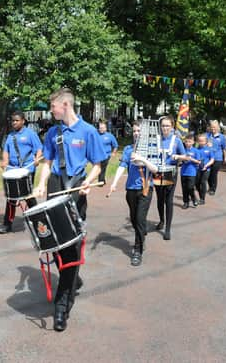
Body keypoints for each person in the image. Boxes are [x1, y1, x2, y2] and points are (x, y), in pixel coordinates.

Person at [34, 88, 106, 332]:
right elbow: (48, 162)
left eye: (52, 105)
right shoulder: (53, 132)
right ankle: (72, 277)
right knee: (55, 246)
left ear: (65, 105)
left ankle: (62, 306)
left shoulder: (88, 131)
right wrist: (42, 183)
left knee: (71, 247)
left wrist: (89, 180)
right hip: (55, 188)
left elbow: (97, 163)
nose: (50, 109)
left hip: (76, 189)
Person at [108, 121, 158, 266]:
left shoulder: (151, 148)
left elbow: (155, 169)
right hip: (130, 189)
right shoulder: (128, 149)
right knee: (134, 219)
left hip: (145, 189)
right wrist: (114, 183)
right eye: (135, 131)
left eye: (139, 131)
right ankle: (141, 236)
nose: (136, 133)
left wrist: (142, 159)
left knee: (140, 218)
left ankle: (138, 250)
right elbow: (122, 166)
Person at [0, 111, 42, 234]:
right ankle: (7, 224)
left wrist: (37, 158)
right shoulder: (10, 136)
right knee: (11, 197)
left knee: (28, 196)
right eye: (12, 120)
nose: (14, 123)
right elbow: (6, 151)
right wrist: (5, 161)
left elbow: (39, 148)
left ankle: (38, 222)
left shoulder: (30, 134)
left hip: (27, 170)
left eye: (16, 120)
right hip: (13, 170)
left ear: (23, 121)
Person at [154, 116, 187, 240]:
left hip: (171, 173)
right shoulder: (156, 139)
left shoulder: (176, 140)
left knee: (169, 200)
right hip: (158, 172)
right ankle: (161, 220)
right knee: (159, 199)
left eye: (167, 125)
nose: (165, 128)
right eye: (163, 126)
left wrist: (177, 156)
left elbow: (184, 156)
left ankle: (167, 228)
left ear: (172, 126)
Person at [180, 135, 201, 208]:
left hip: (192, 172)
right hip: (183, 172)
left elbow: (198, 162)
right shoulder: (182, 150)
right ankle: (186, 202)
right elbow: (179, 160)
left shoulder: (196, 151)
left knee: (190, 187)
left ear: (193, 142)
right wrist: (182, 159)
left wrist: (191, 159)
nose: (187, 143)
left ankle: (194, 198)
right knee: (184, 188)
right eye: (186, 141)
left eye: (189, 142)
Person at [205, 120, 226, 194]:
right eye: (211, 127)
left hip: (218, 158)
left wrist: (225, 157)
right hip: (208, 158)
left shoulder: (222, 137)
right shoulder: (207, 135)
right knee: (208, 173)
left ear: (217, 127)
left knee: (214, 173)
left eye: (214, 127)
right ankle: (210, 186)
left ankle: (213, 189)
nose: (213, 128)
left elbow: (223, 148)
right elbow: (202, 144)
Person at [195, 134, 214, 205]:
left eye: (202, 141)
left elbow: (212, 160)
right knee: (197, 184)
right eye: (199, 141)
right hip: (197, 169)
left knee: (203, 182)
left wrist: (206, 166)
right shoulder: (196, 149)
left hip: (206, 169)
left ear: (206, 141)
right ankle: (200, 196)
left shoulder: (209, 149)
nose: (201, 142)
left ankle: (202, 199)